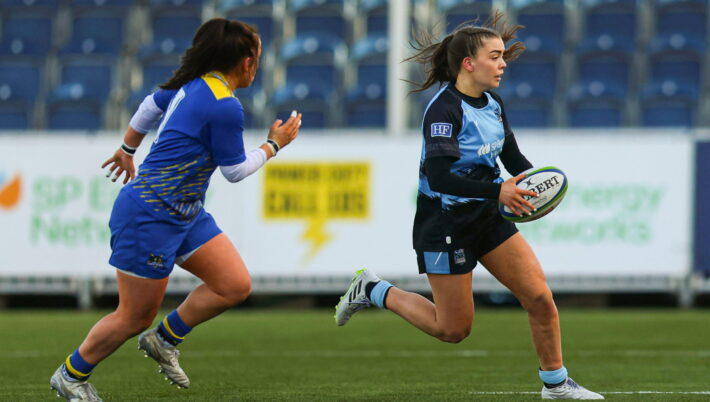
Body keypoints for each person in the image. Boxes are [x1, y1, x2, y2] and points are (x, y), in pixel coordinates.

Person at [334, 12, 604, 400]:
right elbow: (440, 178)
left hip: (487, 217)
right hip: (445, 225)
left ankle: (556, 385)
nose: (503, 64)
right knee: (453, 330)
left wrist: (535, 188)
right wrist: (499, 192)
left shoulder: (493, 103)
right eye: (495, 56)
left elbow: (513, 158)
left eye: (502, 56)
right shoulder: (443, 110)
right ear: (468, 64)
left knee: (539, 298)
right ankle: (373, 288)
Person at [49, 18, 302, 401]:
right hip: (151, 216)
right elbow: (234, 171)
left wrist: (128, 148)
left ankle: (164, 339)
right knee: (134, 316)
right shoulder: (225, 106)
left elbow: (150, 105)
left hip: (184, 212)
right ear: (247, 62)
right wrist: (274, 144)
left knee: (233, 285)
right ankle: (70, 375)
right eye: (258, 56)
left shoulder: (194, 85)